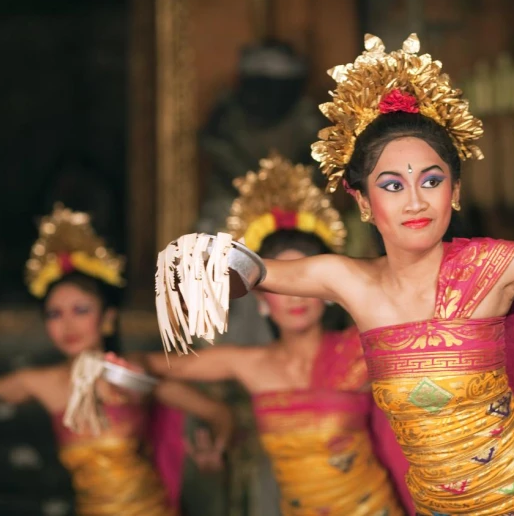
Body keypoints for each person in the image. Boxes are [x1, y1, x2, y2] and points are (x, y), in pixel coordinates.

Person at [158, 35, 514, 516]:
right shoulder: (350, 282)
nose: (416, 201)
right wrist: (204, 262)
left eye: (432, 180)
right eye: (392, 185)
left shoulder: (495, 266)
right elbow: (258, 270)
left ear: (456, 190)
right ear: (362, 201)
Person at [143, 153, 413, 515]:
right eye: (280, 284)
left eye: (303, 281)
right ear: (260, 300)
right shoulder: (250, 365)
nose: (294, 297)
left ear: (328, 290)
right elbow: (149, 369)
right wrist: (216, 415)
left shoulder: (360, 350)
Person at [0, 204, 233, 516]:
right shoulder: (42, 382)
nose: (68, 325)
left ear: (107, 318)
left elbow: (218, 412)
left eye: (81, 310)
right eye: (55, 314)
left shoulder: (132, 372)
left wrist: (215, 448)